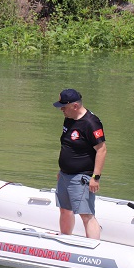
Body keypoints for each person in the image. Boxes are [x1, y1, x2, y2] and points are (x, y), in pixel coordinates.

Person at [53, 88, 107, 239]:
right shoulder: (69, 118)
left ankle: (93, 248)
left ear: (75, 106)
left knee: (86, 215)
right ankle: (64, 237)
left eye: (64, 106)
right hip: (65, 175)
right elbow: (68, 146)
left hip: (82, 176)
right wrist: (61, 170)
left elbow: (101, 150)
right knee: (64, 209)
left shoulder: (91, 123)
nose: (61, 109)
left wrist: (95, 177)